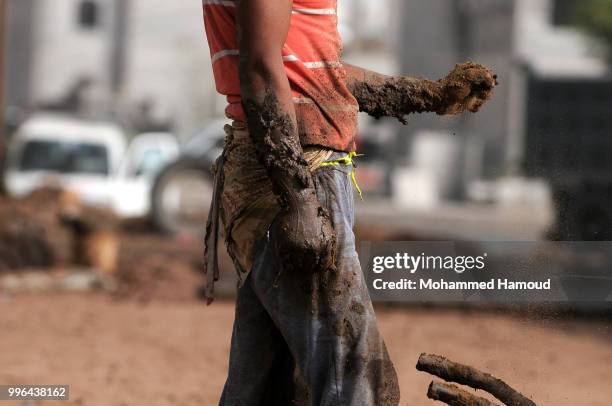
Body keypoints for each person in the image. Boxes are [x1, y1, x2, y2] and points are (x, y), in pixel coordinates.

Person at [202, 0, 497, 404]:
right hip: (296, 173)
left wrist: (429, 95)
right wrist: (300, 199)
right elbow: (259, 68)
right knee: (358, 381)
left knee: (270, 388)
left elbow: (312, 74)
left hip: (280, 176)